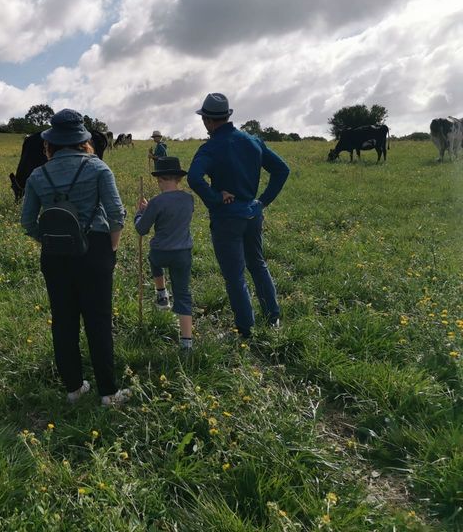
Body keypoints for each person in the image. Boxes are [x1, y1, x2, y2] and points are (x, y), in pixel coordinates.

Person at [21, 108, 131, 406]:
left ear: (51, 143)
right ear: (83, 139)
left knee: (63, 321)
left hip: (55, 254)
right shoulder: (97, 168)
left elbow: (28, 222)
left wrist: (49, 240)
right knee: (98, 321)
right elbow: (117, 215)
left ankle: (73, 388)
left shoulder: (37, 174)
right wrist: (112, 247)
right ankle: (108, 392)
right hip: (95, 250)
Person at [187, 93, 290, 339]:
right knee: (257, 264)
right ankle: (272, 317)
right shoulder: (252, 141)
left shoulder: (210, 148)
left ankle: (245, 329)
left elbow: (193, 177)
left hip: (226, 218)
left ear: (208, 121)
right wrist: (262, 201)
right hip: (253, 214)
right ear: (228, 115)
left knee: (234, 275)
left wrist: (214, 197)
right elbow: (282, 169)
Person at [134, 156, 195, 350]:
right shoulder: (188, 199)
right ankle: (186, 343)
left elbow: (142, 229)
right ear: (178, 179)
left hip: (160, 251)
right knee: (183, 294)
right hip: (183, 253)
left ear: (160, 180)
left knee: (154, 259)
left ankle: (161, 294)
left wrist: (140, 213)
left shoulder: (156, 202)